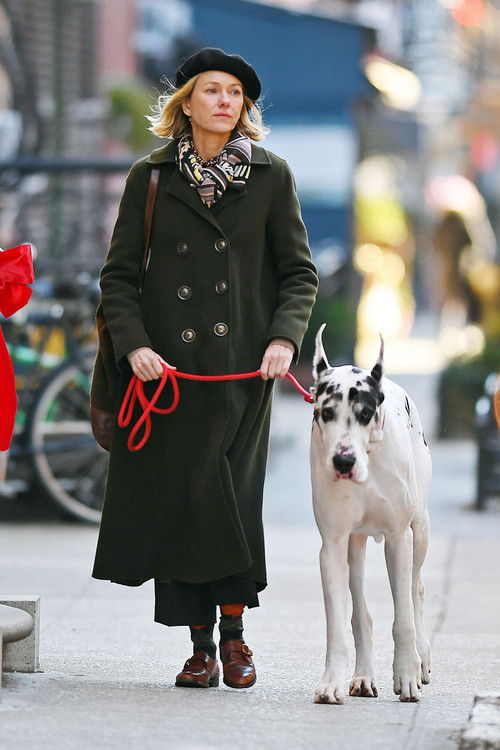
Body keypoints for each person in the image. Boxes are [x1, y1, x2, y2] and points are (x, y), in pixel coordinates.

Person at [92, 48, 318, 690]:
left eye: (235, 93)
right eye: (212, 90)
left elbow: (298, 273)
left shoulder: (272, 175)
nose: (225, 101)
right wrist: (134, 346)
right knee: (183, 504)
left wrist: (284, 339)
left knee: (230, 501)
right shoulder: (151, 177)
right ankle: (200, 648)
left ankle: (235, 637)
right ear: (186, 103)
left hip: (244, 372)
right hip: (167, 375)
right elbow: (119, 278)